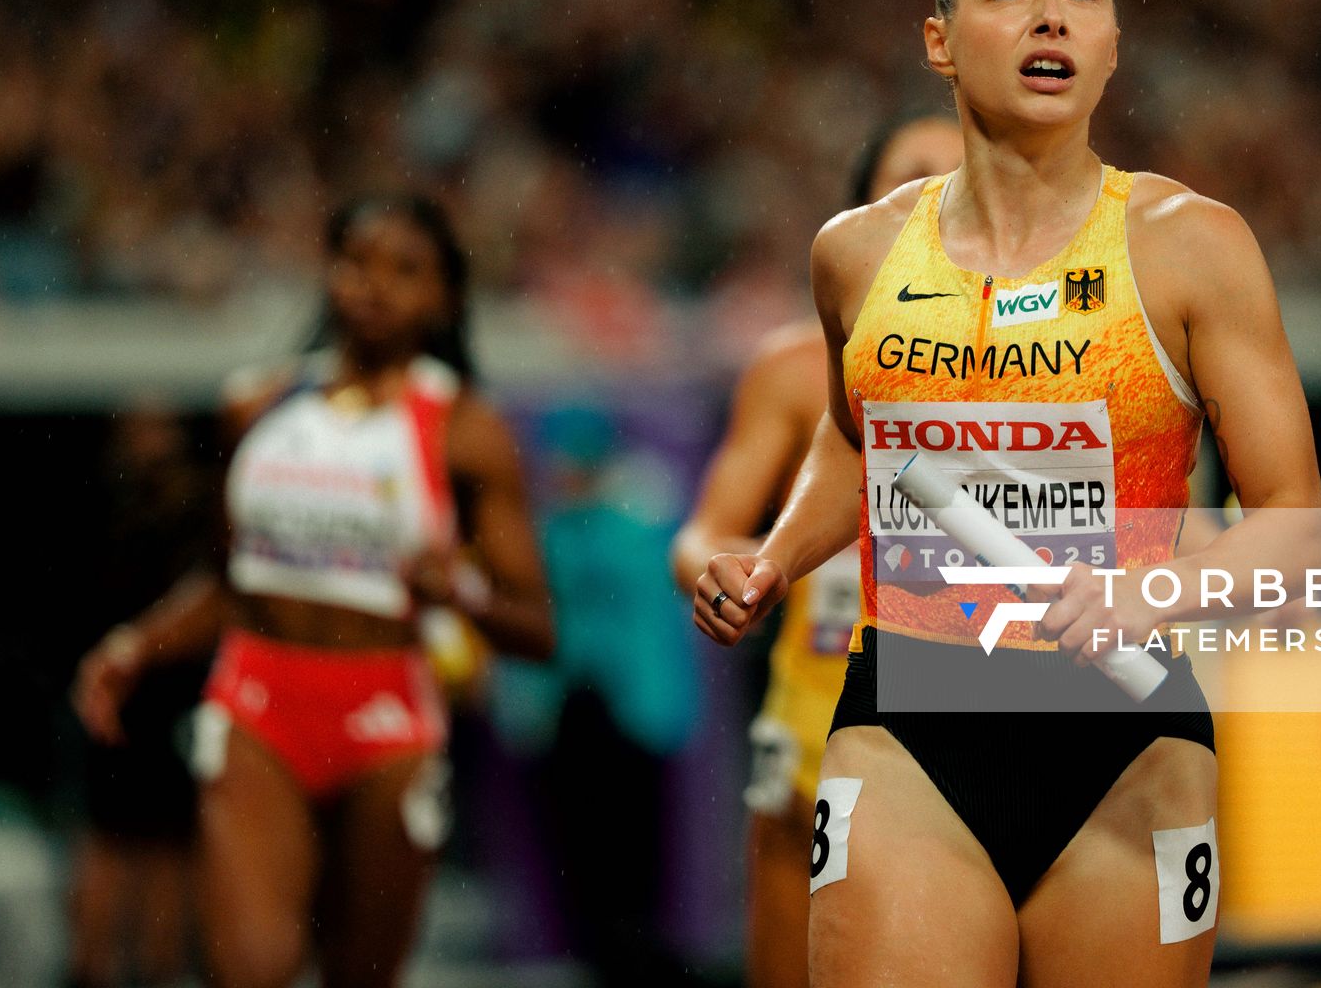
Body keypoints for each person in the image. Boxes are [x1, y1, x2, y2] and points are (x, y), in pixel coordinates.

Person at [692, 0, 1321, 986]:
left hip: (1122, 734)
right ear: (939, 42)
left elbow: (1296, 527)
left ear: (1114, 43)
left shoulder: (1193, 245)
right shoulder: (859, 251)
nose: (1051, 16)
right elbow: (860, 434)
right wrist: (776, 558)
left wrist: (1152, 587)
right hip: (911, 716)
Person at [73, 194, 555, 988]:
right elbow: (230, 586)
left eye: (405, 271)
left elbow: (537, 628)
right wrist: (135, 646)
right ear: (328, 273)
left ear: (445, 300)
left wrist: (457, 593)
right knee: (252, 968)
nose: (375, 286)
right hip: (261, 696)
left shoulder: (464, 430)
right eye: (357, 262)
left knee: (359, 974)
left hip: (387, 716)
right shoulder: (257, 406)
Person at [670, 115, 963, 988]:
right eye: (914, 176)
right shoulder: (796, 370)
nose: (940, 197)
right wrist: (727, 574)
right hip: (816, 725)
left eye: (962, 176)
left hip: (987, 717)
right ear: (865, 209)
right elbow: (707, 533)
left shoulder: (1065, 355)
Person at [68, 406, 218, 988]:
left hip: (176, 700)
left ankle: (160, 970)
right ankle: (94, 965)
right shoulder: (109, 513)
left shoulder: (195, 514)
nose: (154, 444)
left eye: (163, 430)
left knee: (169, 847)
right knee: (111, 838)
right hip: (119, 698)